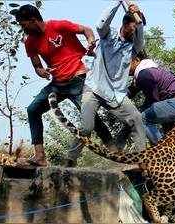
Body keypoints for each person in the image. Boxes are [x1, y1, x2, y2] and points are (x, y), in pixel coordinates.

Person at [13, 4, 112, 166]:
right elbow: (37, 66)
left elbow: (87, 30)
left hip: (78, 80)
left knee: (92, 120)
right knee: (33, 110)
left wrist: (91, 42)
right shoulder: (29, 42)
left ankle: (115, 151)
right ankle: (40, 156)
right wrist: (42, 71)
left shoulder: (58, 26)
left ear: (32, 20)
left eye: (23, 24)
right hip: (57, 85)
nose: (22, 28)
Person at [68, 1, 148, 167]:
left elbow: (140, 34)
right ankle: (70, 159)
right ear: (125, 24)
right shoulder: (107, 34)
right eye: (133, 27)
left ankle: (142, 161)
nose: (135, 32)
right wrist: (119, 2)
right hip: (94, 88)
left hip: (116, 94)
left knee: (137, 118)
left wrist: (138, 14)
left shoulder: (134, 46)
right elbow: (100, 23)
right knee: (86, 128)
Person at [128, 54, 175, 145]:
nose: (123, 69)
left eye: (126, 64)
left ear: (136, 60)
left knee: (141, 119)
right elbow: (132, 92)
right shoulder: (149, 70)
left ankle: (164, 151)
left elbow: (154, 102)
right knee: (174, 138)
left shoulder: (144, 74)